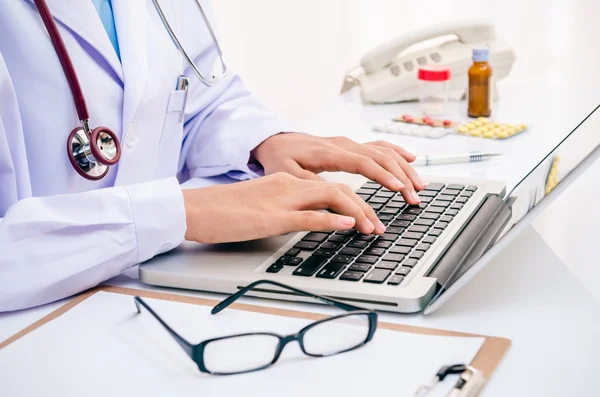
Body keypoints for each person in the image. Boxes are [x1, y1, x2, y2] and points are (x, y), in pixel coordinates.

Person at [0, 1, 424, 312]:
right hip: (29, 331)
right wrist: (179, 213)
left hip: (147, 293)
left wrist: (265, 141)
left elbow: (195, 95)